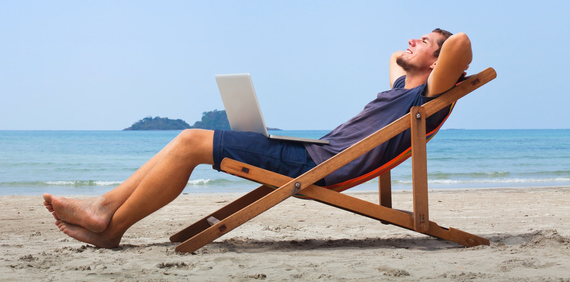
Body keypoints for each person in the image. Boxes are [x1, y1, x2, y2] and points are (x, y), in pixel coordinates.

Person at [44, 29, 472, 248]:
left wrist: (438, 52)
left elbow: (462, 43)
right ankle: (106, 215)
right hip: (312, 153)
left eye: (425, 42)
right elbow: (393, 56)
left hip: (317, 167)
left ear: (439, 64)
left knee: (192, 141)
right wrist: (421, 50)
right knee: (191, 139)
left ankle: (108, 220)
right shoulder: (402, 89)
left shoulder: (426, 94)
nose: (412, 42)